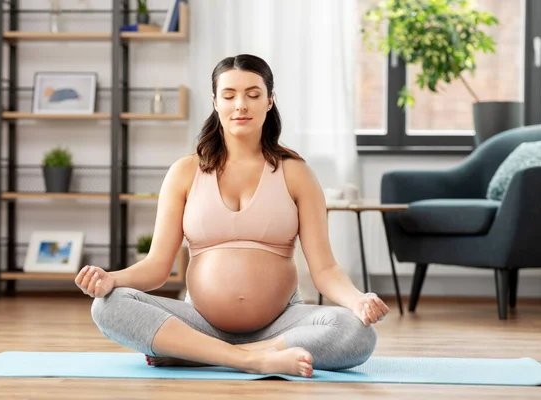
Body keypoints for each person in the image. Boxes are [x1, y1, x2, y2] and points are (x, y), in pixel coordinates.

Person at [75, 54, 390, 378]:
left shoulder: (296, 174)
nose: (241, 105)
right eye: (229, 95)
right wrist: (113, 279)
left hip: (280, 327)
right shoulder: (184, 172)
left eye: (253, 95)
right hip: (198, 323)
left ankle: (201, 354)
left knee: (357, 332)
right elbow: (156, 268)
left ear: (270, 101)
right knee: (107, 305)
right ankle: (249, 360)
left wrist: (357, 300)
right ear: (215, 101)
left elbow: (324, 269)